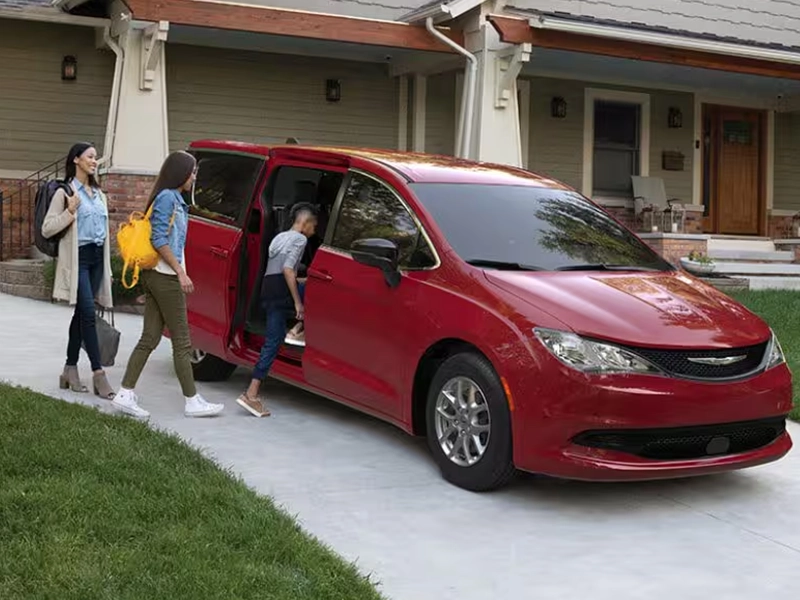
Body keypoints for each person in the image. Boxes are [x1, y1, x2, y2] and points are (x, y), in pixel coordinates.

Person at [112, 151, 224, 419]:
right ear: (180, 173)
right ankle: (192, 400)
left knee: (150, 337)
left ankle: (125, 394)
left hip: (158, 276)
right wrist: (180, 272)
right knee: (183, 341)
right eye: (192, 172)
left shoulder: (174, 199)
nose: (194, 177)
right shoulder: (167, 199)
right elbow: (159, 239)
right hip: (165, 277)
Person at [42, 142, 115, 400]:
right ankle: (98, 373)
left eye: (95, 157)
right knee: (87, 316)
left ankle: (69, 369)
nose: (95, 161)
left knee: (83, 314)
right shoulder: (65, 192)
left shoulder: (100, 195)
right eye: (90, 157)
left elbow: (104, 236)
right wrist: (70, 211)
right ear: (76, 160)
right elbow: (48, 228)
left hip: (96, 260)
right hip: (79, 261)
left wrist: (107, 269)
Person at [236, 203, 318, 417]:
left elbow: (279, 271)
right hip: (282, 289)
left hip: (268, 288)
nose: (314, 231)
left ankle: (251, 393)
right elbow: (288, 269)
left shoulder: (279, 237)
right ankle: (300, 327)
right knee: (316, 288)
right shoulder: (300, 239)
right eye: (314, 226)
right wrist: (298, 303)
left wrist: (302, 281)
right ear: (305, 223)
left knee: (272, 342)